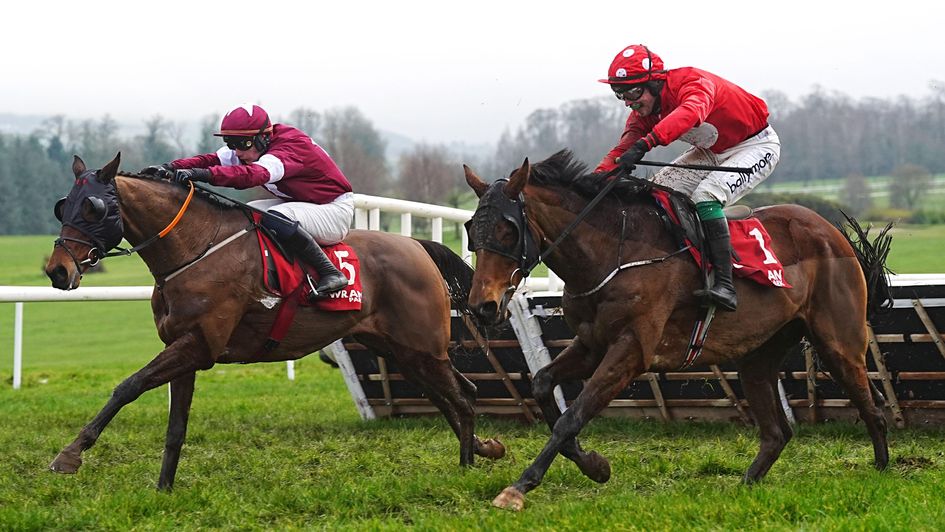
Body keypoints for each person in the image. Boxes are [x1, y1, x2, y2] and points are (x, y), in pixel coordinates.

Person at [596, 44, 781, 311]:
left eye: (633, 92)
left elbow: (690, 113)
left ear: (655, 83)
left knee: (705, 196)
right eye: (620, 94)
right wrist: (595, 179)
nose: (629, 102)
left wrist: (647, 143)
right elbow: (620, 151)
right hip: (711, 152)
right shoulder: (643, 114)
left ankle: (725, 284)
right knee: (657, 192)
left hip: (756, 146)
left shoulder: (692, 82)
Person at [141, 103, 352, 299]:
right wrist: (170, 167)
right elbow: (210, 160)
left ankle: (330, 272)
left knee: (274, 217)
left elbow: (253, 175)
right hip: (306, 205)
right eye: (231, 144)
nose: (238, 152)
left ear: (263, 138)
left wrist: (200, 175)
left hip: (333, 210)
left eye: (242, 144)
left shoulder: (289, 148)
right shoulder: (254, 147)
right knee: (246, 214)